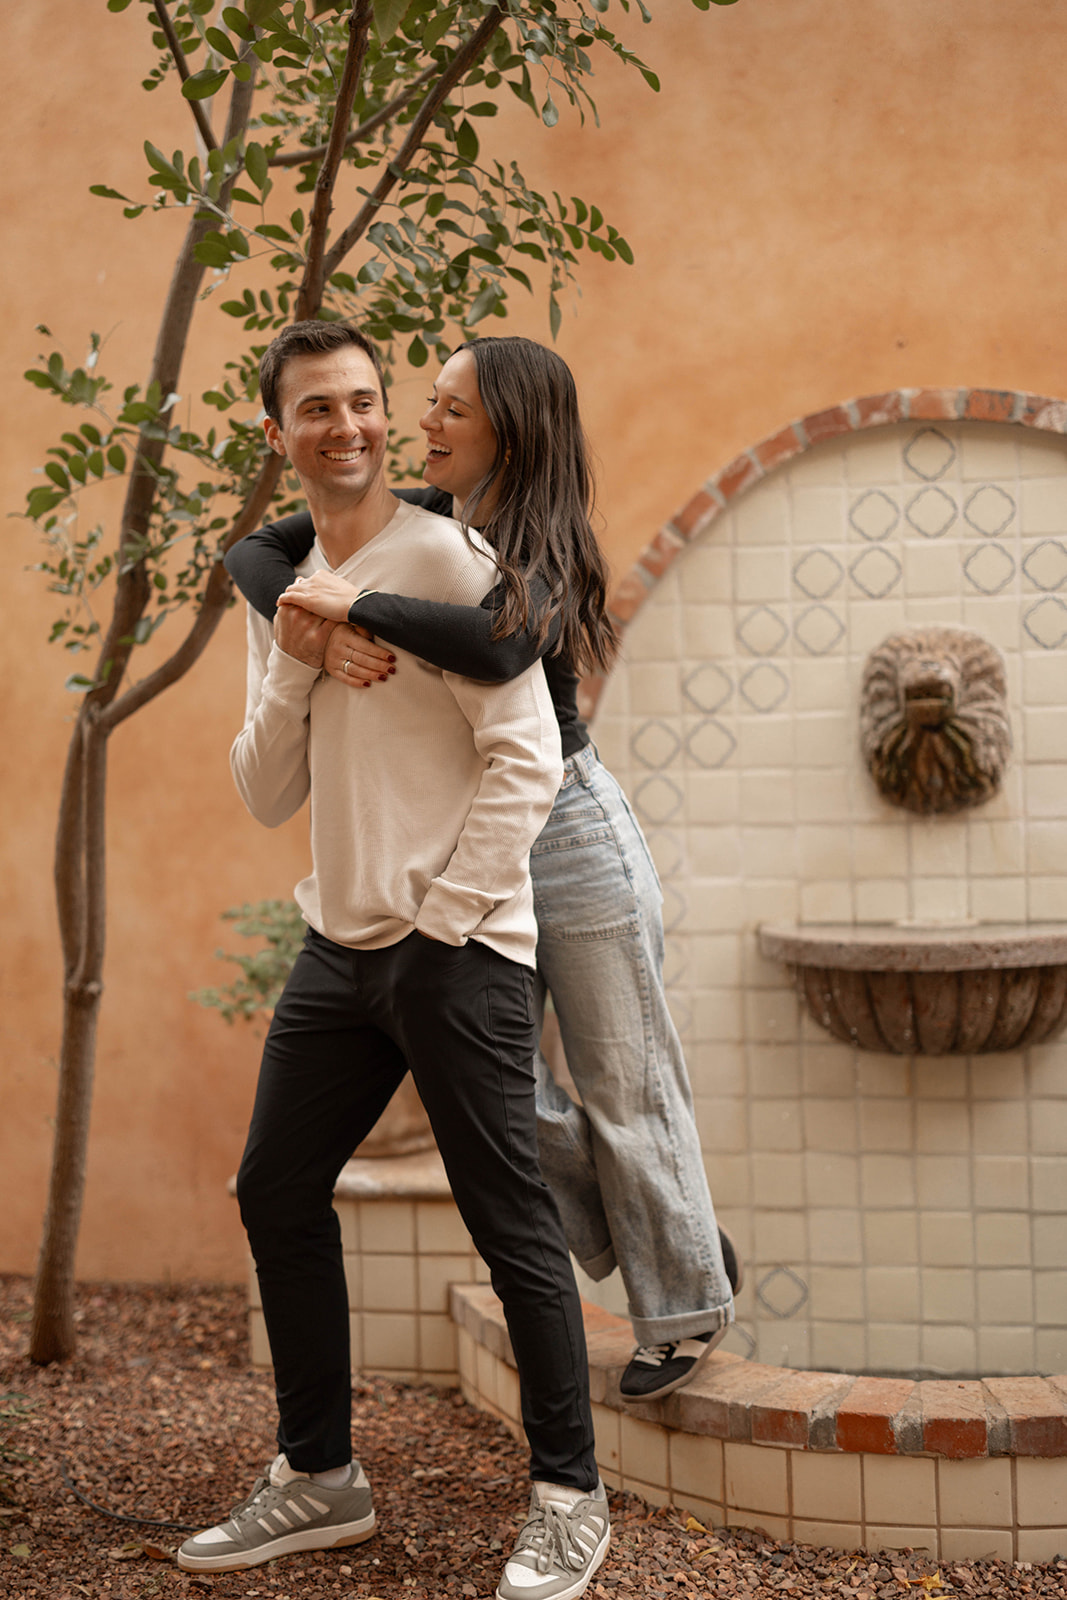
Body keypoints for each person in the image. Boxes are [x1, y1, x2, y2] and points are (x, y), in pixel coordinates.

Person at [179, 321, 611, 1600]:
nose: (354, 426)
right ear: (280, 436)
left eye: (369, 402)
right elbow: (264, 790)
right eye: (319, 409)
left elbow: (526, 753)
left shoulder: (452, 555)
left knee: (506, 1221)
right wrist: (299, 659)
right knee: (273, 1188)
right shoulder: (287, 580)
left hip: (457, 948)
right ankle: (319, 1476)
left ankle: (567, 1499)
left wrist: (449, 918)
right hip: (337, 944)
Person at [226, 334, 739, 1407]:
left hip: (572, 833)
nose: (422, 425)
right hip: (471, 834)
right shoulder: (428, 515)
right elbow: (255, 555)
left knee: (622, 1078)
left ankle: (681, 1305)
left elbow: (502, 650)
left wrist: (350, 611)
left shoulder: (543, 543)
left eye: (447, 408)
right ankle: (663, 1227)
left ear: (507, 425)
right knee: (522, 1105)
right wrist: (302, 628)